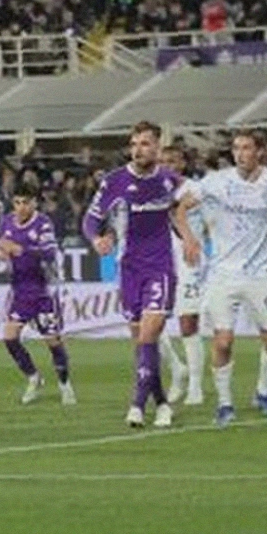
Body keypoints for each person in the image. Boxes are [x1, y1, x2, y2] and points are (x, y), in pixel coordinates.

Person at [173, 130, 267, 427]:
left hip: (262, 274)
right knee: (223, 341)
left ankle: (264, 392)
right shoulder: (216, 181)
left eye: (246, 148)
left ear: (259, 151)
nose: (240, 153)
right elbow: (181, 208)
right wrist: (189, 239)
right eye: (236, 148)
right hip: (223, 275)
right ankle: (225, 404)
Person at [83, 121, 187, 428]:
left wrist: (190, 234)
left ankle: (137, 406)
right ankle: (163, 404)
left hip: (161, 268)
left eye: (144, 143)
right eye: (134, 144)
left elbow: (192, 204)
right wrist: (97, 239)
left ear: (157, 147)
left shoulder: (170, 181)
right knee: (142, 345)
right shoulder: (114, 181)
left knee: (148, 335)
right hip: (129, 270)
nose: (137, 150)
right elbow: (91, 219)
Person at [0, 183, 75, 405]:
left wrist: (21, 250)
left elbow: (49, 254)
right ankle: (33, 377)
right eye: (17, 202)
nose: (20, 207)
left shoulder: (43, 224)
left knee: (52, 341)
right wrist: (1, 252)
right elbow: (0, 242)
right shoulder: (6, 221)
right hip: (20, 290)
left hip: (43, 291)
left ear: (34, 203)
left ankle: (65, 384)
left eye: (25, 203)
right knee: (9, 338)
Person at [160, 145, 208, 405]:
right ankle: (177, 369)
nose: (168, 165)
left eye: (173, 161)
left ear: (182, 164)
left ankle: (195, 387)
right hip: (160, 260)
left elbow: (177, 214)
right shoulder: (153, 188)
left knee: (188, 322)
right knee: (148, 322)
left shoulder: (194, 189)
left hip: (190, 260)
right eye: (163, 161)